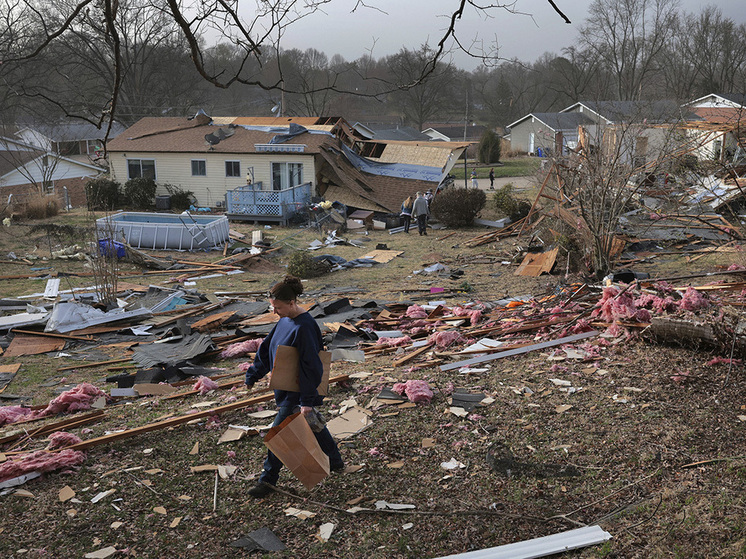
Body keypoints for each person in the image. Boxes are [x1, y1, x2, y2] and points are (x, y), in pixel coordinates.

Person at [244, 275, 344, 498]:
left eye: (277, 307)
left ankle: (267, 481)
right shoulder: (284, 320)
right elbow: (267, 349)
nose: (274, 312)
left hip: (298, 391)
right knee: (313, 423)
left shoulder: (305, 327)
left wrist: (306, 401)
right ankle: (335, 461)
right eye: (273, 307)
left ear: (292, 303)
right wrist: (253, 374)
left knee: (279, 434)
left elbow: (312, 367)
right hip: (286, 389)